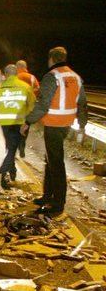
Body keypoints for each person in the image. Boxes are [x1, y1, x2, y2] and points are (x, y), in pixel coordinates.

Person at [21, 47, 87, 216]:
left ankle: (58, 203)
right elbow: (82, 104)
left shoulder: (52, 76)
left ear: (51, 59)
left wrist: (28, 121)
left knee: (56, 163)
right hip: (65, 125)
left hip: (53, 125)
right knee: (50, 159)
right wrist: (81, 125)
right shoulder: (76, 77)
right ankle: (47, 195)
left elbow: (43, 104)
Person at [0, 64, 36, 188]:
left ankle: (12, 172)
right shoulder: (26, 87)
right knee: (12, 151)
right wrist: (27, 120)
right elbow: (32, 105)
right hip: (19, 123)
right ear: (17, 74)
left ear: (6, 75)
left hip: (5, 124)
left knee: (10, 148)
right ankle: (0, 175)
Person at [15, 60, 40, 158]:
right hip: (28, 108)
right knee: (25, 127)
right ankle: (22, 147)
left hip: (16, 107)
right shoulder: (32, 77)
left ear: (17, 67)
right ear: (25, 67)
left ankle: (14, 150)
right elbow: (38, 89)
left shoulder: (15, 77)